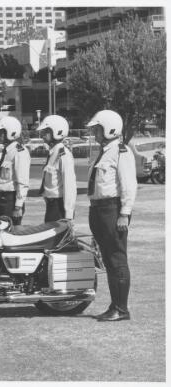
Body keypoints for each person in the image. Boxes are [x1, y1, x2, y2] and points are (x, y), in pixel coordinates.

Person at [86, 110, 137, 322]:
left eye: (97, 129)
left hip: (112, 210)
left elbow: (129, 186)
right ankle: (114, 305)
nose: (94, 132)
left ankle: (121, 309)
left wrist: (124, 214)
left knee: (117, 259)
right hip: (98, 210)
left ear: (109, 129)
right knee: (107, 259)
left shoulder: (121, 152)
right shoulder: (104, 152)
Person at [36, 115, 77, 223]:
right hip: (51, 206)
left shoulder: (63, 155)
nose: (42, 136)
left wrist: (68, 215)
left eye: (46, 132)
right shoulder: (53, 152)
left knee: (58, 239)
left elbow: (69, 186)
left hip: (59, 208)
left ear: (57, 131)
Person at [0, 116, 30, 225]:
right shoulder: (7, 151)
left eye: (1, 132)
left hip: (10, 202)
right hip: (0, 200)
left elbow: (22, 182)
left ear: (11, 132)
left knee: (10, 234)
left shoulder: (19, 152)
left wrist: (18, 206)